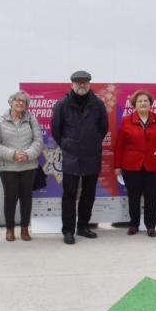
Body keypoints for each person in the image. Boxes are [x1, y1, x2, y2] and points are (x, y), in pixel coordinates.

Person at [51, 70, 108, 245]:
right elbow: (56, 129)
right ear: (72, 84)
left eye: (84, 82)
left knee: (89, 193)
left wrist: (91, 142)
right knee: (69, 194)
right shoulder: (62, 104)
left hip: (91, 154)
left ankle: (82, 226)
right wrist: (67, 144)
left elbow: (103, 128)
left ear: (89, 84)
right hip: (70, 156)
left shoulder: (98, 104)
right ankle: (68, 230)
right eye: (78, 82)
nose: (81, 85)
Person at [113, 90, 156, 237]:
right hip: (131, 166)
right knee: (133, 196)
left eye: (146, 101)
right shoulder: (126, 120)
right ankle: (134, 225)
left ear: (151, 104)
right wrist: (117, 166)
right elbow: (119, 145)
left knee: (151, 197)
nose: (143, 103)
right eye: (140, 101)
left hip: (153, 165)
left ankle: (151, 226)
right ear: (134, 105)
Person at [0, 91, 43, 242]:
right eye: (17, 100)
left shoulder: (32, 120)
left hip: (29, 165)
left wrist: (27, 154)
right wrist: (13, 154)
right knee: (10, 198)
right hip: (8, 167)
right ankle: (10, 229)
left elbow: (38, 141)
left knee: (26, 198)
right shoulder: (0, 122)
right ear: (10, 102)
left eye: (23, 101)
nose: (20, 103)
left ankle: (25, 229)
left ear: (26, 105)